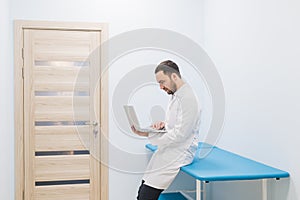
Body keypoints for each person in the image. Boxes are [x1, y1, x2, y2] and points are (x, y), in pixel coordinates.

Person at [131, 60, 201, 200]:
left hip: (180, 152)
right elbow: (176, 124)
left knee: (146, 196)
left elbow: (180, 135)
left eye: (162, 82)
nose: (161, 87)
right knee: (143, 189)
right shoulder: (177, 95)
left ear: (174, 76)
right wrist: (163, 125)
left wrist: (148, 134)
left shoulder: (188, 98)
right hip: (170, 149)